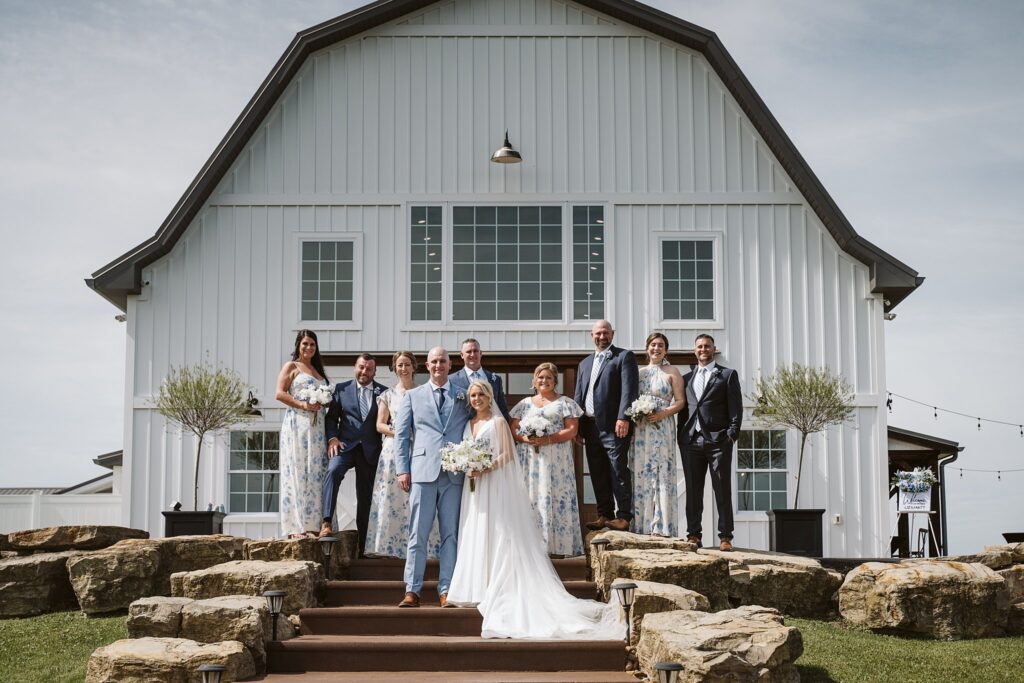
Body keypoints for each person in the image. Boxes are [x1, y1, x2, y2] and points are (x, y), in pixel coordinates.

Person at [447, 380, 621, 640]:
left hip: (492, 482)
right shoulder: (466, 424)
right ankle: (475, 585)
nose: (476, 399)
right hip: (473, 486)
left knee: (497, 529)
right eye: (472, 395)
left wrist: (484, 467)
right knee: (476, 526)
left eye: (480, 394)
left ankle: (496, 583)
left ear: (488, 396)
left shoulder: (498, 423)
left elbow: (507, 455)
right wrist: (465, 464)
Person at [394, 346, 472, 608]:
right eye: (434, 361)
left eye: (443, 361)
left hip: (453, 474)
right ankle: (412, 590)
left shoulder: (463, 396)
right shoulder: (413, 396)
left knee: (450, 534)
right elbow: (402, 436)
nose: (439, 365)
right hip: (422, 472)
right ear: (427, 366)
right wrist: (402, 469)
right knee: (418, 533)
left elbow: (474, 428)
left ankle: (447, 589)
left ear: (451, 365)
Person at [365, 351, 440, 558]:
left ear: (414, 367)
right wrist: (400, 431)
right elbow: (380, 425)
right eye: (399, 365)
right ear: (395, 368)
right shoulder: (388, 395)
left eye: (407, 364)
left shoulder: (424, 392)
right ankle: (390, 547)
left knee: (418, 496)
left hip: (419, 449)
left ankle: (422, 546)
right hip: (393, 451)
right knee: (393, 497)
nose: (403, 368)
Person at [509, 363, 584, 556]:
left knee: (556, 496)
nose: (544, 381)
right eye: (541, 377)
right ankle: (531, 548)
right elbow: (514, 429)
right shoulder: (525, 404)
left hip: (556, 460)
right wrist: (526, 438)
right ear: (534, 380)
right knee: (532, 497)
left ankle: (557, 548)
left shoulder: (565, 402)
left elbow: (572, 430)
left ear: (555, 381)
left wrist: (548, 439)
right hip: (530, 461)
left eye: (549, 378)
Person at [678, 334, 743, 551]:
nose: (703, 349)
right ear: (694, 350)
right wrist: (681, 436)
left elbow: (736, 409)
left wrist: (731, 435)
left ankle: (725, 537)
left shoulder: (727, 375)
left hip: (718, 441)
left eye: (707, 346)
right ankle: (694, 535)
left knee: (721, 489)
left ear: (714, 349)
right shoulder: (686, 379)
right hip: (691, 441)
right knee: (693, 491)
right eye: (699, 346)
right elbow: (683, 410)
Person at [573, 319, 639, 532]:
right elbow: (579, 396)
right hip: (590, 427)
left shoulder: (623, 356)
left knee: (618, 470)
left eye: (606, 333)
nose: (602, 337)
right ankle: (605, 514)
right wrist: (578, 427)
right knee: (597, 471)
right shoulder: (584, 363)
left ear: (612, 334)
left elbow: (629, 389)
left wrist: (624, 417)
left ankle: (624, 516)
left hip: (614, 425)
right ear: (591, 335)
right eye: (598, 333)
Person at [322, 354, 387, 556]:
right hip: (345, 446)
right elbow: (331, 418)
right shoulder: (341, 390)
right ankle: (326, 522)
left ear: (374, 372)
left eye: (369, 369)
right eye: (361, 367)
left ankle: (363, 546)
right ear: (354, 368)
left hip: (370, 450)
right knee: (332, 471)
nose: (364, 372)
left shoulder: (383, 393)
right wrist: (332, 438)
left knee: (365, 497)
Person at [275, 330, 329, 539]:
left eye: (312, 344)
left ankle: (315, 524)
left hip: (317, 429)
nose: (309, 348)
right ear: (298, 345)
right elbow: (279, 393)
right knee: (298, 471)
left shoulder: (317, 370)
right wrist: (303, 404)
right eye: (305, 343)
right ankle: (296, 527)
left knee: (316, 473)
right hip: (298, 424)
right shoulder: (292, 367)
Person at [631, 333, 686, 537]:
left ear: (666, 350)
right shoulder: (639, 372)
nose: (656, 348)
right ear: (647, 348)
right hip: (642, 428)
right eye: (653, 345)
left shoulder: (672, 371)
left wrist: (663, 413)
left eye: (661, 345)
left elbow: (680, 401)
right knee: (642, 472)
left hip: (662, 426)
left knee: (661, 472)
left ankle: (662, 526)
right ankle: (642, 525)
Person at [449, 338, 511, 422]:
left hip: (492, 427)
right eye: (468, 352)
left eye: (475, 351)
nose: (472, 354)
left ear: (480, 353)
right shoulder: (452, 380)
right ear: (462, 355)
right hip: (465, 430)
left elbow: (502, 409)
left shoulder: (496, 380)